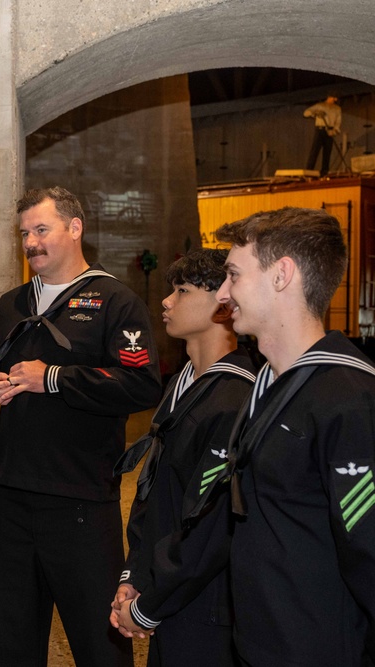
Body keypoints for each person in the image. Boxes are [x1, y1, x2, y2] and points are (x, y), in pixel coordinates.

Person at [0, 186, 162, 666]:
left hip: (79, 500)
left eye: (41, 229)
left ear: (75, 229)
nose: (30, 242)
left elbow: (141, 384)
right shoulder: (13, 302)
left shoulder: (116, 300)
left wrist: (53, 378)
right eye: (24, 233)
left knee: (99, 645)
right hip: (12, 496)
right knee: (12, 644)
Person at [206, 207, 375, 666]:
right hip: (257, 646)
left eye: (234, 275)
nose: (222, 294)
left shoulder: (347, 400)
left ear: (282, 275)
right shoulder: (272, 387)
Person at [109, 249, 256, 666]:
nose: (166, 302)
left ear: (223, 304)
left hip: (207, 607)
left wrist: (148, 603)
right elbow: (155, 495)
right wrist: (134, 576)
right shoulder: (184, 386)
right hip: (167, 591)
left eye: (182, 291)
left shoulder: (234, 400)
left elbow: (209, 530)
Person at [304, 93, 341, 176]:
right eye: (334, 98)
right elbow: (306, 113)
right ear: (329, 97)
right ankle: (309, 170)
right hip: (320, 130)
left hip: (330, 131)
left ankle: (324, 171)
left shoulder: (337, 108)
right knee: (315, 150)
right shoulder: (320, 106)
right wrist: (316, 113)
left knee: (327, 152)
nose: (335, 100)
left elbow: (338, 122)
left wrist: (334, 131)